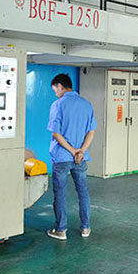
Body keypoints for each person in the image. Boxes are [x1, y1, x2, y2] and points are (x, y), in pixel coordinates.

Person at [46, 73, 96, 241]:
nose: (56, 94)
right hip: (81, 158)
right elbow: (91, 131)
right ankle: (86, 227)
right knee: (83, 193)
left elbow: (56, 133)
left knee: (60, 194)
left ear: (60, 86)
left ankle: (61, 230)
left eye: (55, 90)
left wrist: (72, 150)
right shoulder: (86, 104)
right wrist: (80, 151)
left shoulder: (58, 105)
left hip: (62, 157)